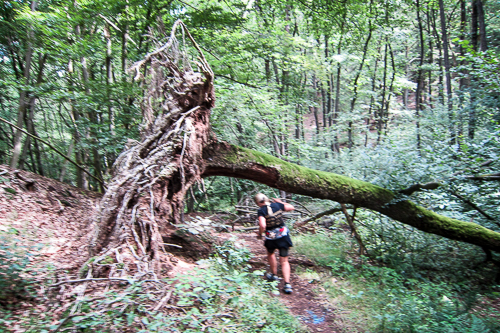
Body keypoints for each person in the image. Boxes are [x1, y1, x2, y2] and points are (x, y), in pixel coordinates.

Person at [254, 193, 295, 294]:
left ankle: (274, 275)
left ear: (258, 203)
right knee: (284, 260)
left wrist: (259, 233)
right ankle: (287, 284)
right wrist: (280, 202)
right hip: (283, 235)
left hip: (271, 237)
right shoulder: (277, 205)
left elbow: (263, 225)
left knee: (271, 253)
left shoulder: (261, 210)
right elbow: (291, 207)